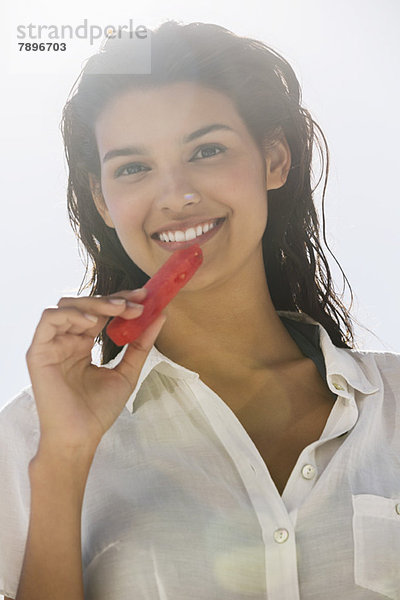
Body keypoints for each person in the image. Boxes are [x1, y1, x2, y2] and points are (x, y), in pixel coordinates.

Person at [1, 20, 399, 600]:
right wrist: (63, 460)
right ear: (101, 199)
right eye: (133, 167)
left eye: (207, 150)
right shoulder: (26, 439)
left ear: (275, 161)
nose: (177, 194)